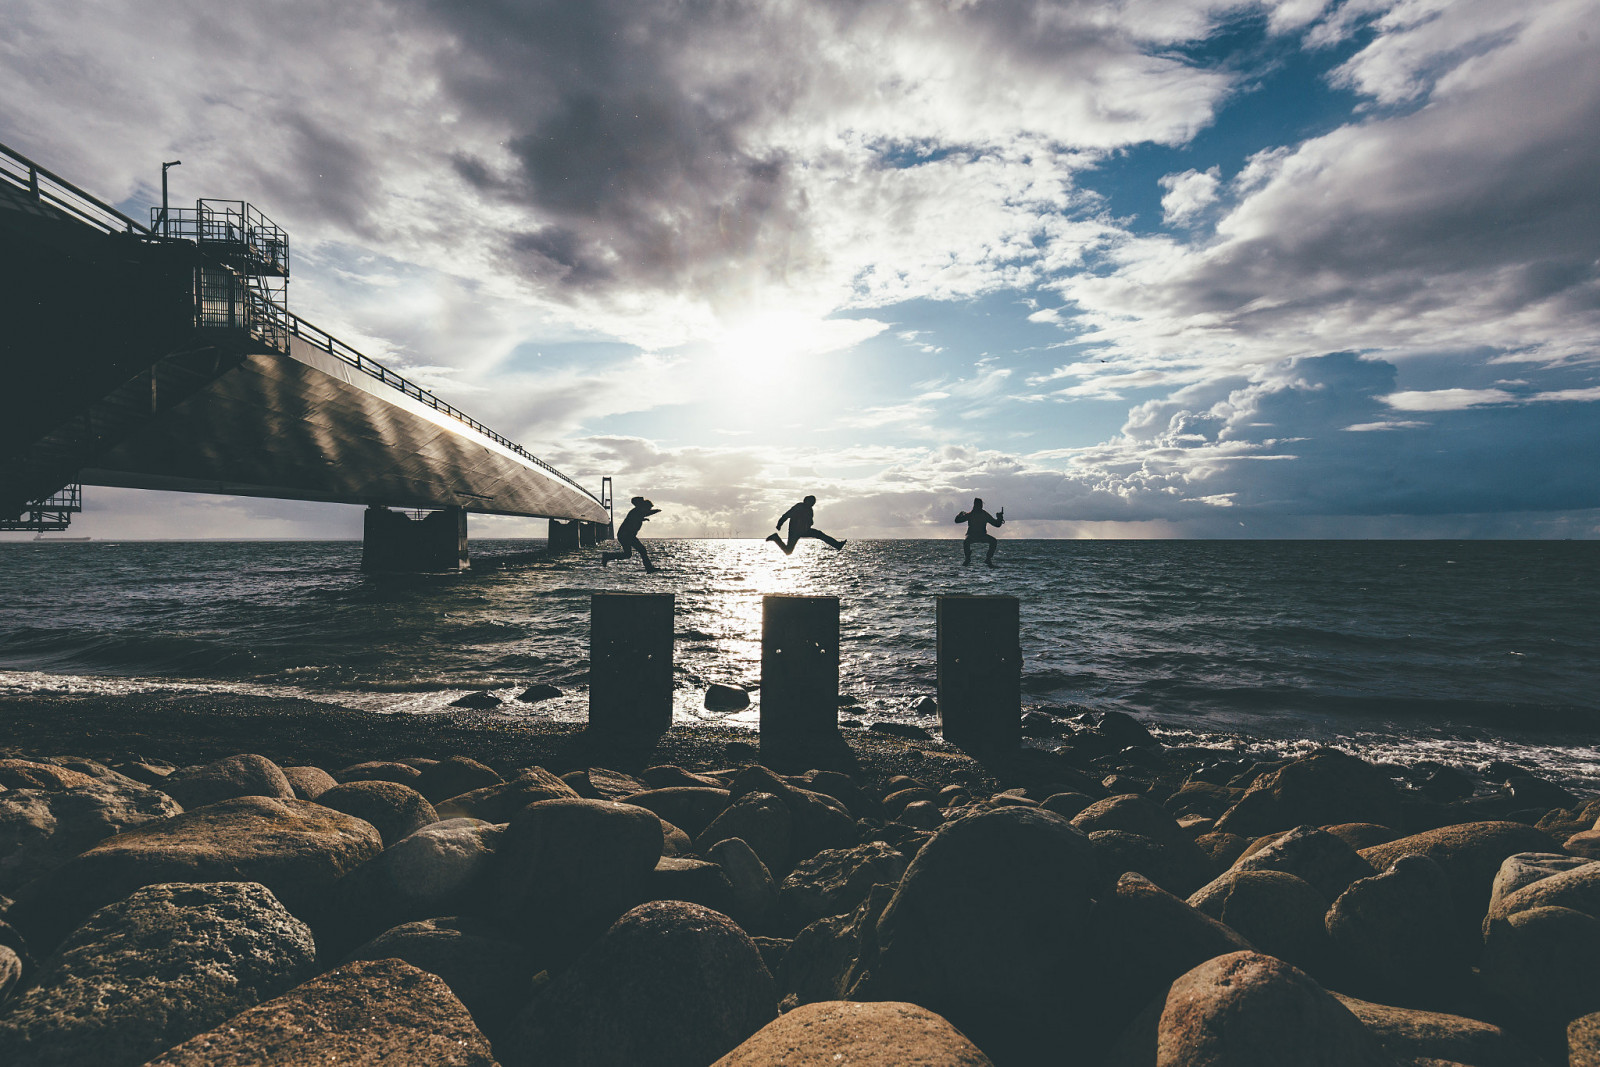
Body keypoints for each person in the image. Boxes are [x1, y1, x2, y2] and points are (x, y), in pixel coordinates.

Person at [766, 494, 847, 555]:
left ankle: (837, 545)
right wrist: (779, 524)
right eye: (812, 502)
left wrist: (809, 523)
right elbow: (787, 514)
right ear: (807, 501)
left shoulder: (809, 510)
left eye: (813, 502)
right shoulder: (799, 506)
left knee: (819, 534)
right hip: (795, 531)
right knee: (788, 551)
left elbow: (810, 521)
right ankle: (775, 538)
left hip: (804, 530)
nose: (813, 504)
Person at [602, 496, 660, 572]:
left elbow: (646, 513)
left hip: (626, 536)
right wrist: (644, 518)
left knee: (628, 554)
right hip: (626, 536)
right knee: (642, 550)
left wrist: (655, 511)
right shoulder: (636, 511)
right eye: (649, 508)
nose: (649, 509)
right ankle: (649, 569)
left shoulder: (639, 511)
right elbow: (637, 517)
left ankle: (607, 556)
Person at [955, 496, 1003, 566]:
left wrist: (1000, 518)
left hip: (980, 535)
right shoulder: (974, 514)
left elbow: (997, 524)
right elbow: (957, 521)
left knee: (993, 541)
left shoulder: (975, 514)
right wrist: (1000, 518)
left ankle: (987, 559)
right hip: (973, 535)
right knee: (966, 542)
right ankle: (968, 558)